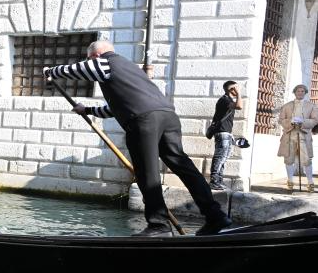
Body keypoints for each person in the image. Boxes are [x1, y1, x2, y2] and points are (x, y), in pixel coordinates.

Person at [44, 40, 232, 236]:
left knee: (147, 173)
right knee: (184, 168)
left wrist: (52, 71)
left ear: (95, 56)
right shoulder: (130, 69)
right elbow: (117, 107)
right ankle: (216, 216)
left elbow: (82, 68)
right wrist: (88, 110)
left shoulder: (106, 62)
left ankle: (159, 225)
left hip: (144, 121)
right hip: (168, 117)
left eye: (89, 59)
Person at [277, 84, 318, 192]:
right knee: (288, 159)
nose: (300, 93)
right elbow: (281, 120)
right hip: (289, 135)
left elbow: (315, 120)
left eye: (302, 91)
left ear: (305, 93)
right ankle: (290, 181)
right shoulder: (286, 106)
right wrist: (290, 121)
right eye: (298, 91)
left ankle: (310, 182)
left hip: (304, 136)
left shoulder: (311, 106)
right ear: (295, 92)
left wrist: (303, 122)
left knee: (307, 159)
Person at [208, 80, 243, 190]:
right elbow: (239, 106)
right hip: (222, 133)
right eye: (236, 88)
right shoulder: (224, 100)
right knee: (220, 157)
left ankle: (218, 180)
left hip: (226, 133)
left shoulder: (228, 100)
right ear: (232, 89)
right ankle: (214, 181)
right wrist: (239, 93)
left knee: (223, 158)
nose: (238, 89)